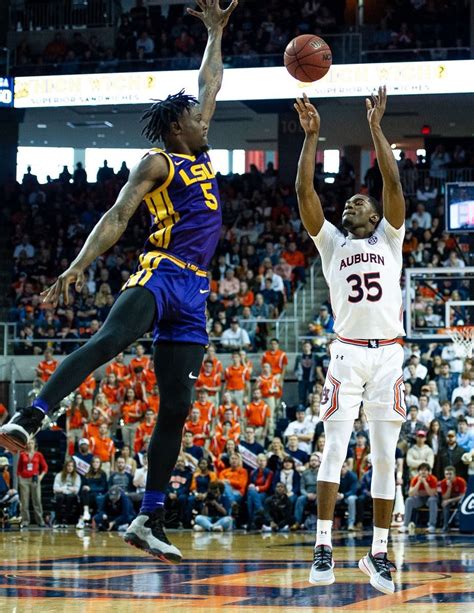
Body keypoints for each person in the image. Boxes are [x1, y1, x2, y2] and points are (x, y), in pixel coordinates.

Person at [0, 0, 238, 564]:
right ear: (178, 126)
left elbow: (211, 83)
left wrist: (214, 32)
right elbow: (117, 216)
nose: (206, 121)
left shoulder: (199, 151)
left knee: (177, 407)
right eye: (197, 120)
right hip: (161, 273)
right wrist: (79, 266)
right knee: (109, 342)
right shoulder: (160, 161)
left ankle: (147, 518)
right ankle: (31, 414)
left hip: (196, 293)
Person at [295, 87, 406, 594]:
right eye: (351, 201)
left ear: (374, 215)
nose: (356, 199)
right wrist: (312, 138)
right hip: (345, 356)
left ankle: (378, 554)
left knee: (385, 456)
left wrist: (377, 129)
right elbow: (305, 194)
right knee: (334, 449)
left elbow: (392, 179)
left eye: (361, 199)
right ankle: (323, 545)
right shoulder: (332, 242)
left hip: (389, 356)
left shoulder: (390, 236)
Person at [399, 463, 438, 534]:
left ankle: (432, 525)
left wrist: (425, 483)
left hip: (429, 499)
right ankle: (405, 525)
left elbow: (431, 494)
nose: (423, 472)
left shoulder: (433, 479)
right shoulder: (415, 479)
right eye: (421, 470)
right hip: (419, 499)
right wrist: (419, 482)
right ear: (418, 472)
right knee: (409, 500)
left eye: (425, 470)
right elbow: (410, 493)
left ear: (429, 472)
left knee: (432, 500)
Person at [17, 440, 48, 527]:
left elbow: (45, 467)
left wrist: (41, 476)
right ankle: (25, 520)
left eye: (32, 443)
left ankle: (40, 520)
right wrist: (19, 478)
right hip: (24, 479)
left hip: (35, 478)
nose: (30, 445)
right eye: (29, 443)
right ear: (26, 444)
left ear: (35, 444)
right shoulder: (22, 454)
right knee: (24, 501)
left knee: (37, 500)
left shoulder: (38, 454)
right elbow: (19, 468)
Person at [53, 458, 81, 528]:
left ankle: (65, 519)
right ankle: (58, 520)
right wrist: (67, 489)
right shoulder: (59, 475)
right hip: (61, 494)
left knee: (70, 497)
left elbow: (76, 489)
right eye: (68, 466)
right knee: (59, 497)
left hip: (71, 495)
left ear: (74, 467)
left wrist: (65, 488)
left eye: (72, 466)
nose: (70, 468)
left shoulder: (77, 476)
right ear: (65, 467)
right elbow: (55, 488)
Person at [439, 465, 467, 531]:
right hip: (450, 499)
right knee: (445, 504)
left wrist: (449, 501)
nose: (448, 476)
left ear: (454, 474)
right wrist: (449, 487)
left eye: (450, 474)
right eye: (446, 474)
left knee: (462, 504)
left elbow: (462, 497)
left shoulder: (461, 481)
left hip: (459, 499)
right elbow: (445, 497)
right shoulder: (443, 482)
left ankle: (461, 525)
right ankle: (445, 525)